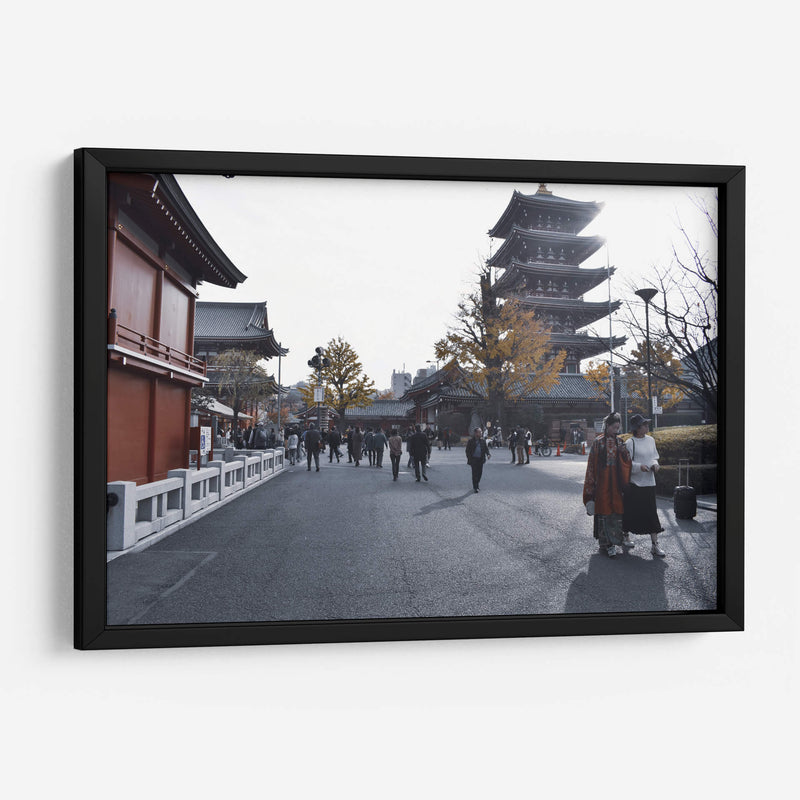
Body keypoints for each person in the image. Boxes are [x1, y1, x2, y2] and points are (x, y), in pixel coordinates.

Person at [583, 412, 632, 557]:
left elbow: (627, 461)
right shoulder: (598, 442)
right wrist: (590, 486)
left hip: (616, 483)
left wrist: (624, 454)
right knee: (603, 512)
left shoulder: (620, 442)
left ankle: (615, 541)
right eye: (614, 428)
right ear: (607, 426)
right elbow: (591, 465)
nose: (616, 431)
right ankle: (606, 544)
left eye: (618, 428)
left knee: (616, 512)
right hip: (602, 484)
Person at [622, 413, 666, 557]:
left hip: (649, 482)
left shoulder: (651, 440)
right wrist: (638, 466)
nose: (647, 426)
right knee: (630, 512)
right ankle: (625, 536)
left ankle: (655, 545)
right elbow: (626, 464)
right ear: (637, 428)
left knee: (651, 513)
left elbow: (654, 457)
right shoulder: (630, 442)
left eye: (647, 424)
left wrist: (655, 465)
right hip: (635, 483)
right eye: (644, 424)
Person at [466, 427, 490, 492]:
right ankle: (475, 487)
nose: (481, 433)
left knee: (479, 473)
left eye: (481, 432)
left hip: (480, 459)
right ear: (476, 433)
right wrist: (469, 458)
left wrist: (488, 454)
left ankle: (477, 482)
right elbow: (467, 451)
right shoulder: (471, 441)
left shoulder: (482, 441)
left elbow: (486, 449)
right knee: (474, 473)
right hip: (473, 459)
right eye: (479, 432)